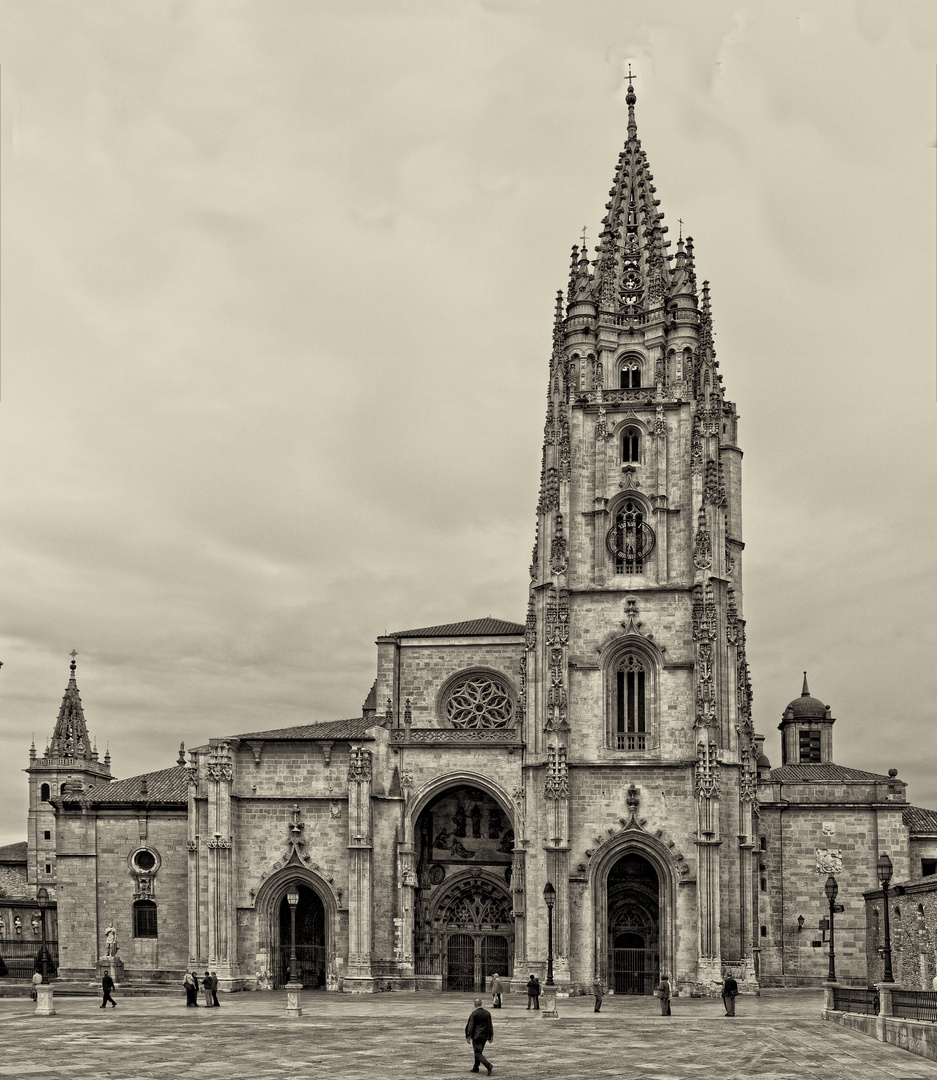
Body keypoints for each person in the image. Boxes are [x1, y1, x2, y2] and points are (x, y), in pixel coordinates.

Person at [464, 996, 494, 1075]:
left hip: (477, 1036)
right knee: (478, 1052)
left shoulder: (474, 1013)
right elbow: (490, 1025)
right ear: (481, 1004)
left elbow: (471, 1025)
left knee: (477, 1053)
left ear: (474, 1004)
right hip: (484, 1036)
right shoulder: (487, 1013)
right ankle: (475, 1067)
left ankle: (488, 1065)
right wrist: (491, 1036)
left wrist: (468, 1036)